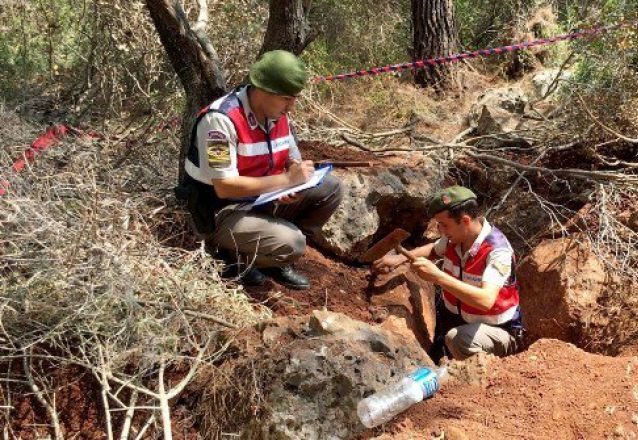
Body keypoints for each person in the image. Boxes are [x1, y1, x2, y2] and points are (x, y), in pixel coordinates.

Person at [177, 50, 342, 290]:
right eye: (287, 98)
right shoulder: (220, 121)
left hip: (260, 198)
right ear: (263, 90)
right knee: (294, 243)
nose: (291, 106)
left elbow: (291, 160)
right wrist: (285, 179)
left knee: (332, 188)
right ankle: (234, 258)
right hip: (221, 212)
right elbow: (225, 187)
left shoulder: (276, 114)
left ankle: (274, 257)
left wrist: (293, 182)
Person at [373, 186, 525, 362]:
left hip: (496, 330)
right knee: (444, 345)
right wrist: (399, 258)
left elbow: (485, 300)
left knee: (459, 340)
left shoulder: (497, 251)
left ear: (465, 220)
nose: (440, 230)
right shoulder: (456, 238)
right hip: (455, 320)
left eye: (444, 225)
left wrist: (437, 276)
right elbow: (433, 249)